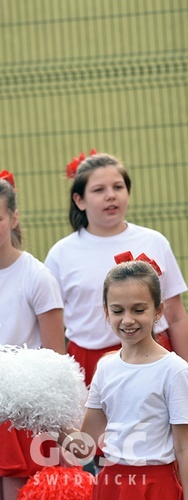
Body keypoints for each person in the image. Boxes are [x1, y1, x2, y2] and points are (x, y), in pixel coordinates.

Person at [45, 152, 188, 386]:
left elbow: (176, 317)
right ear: (79, 200)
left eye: (118, 187)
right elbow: (50, 324)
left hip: (153, 357)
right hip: (89, 363)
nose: (111, 196)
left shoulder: (154, 241)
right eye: (98, 190)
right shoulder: (61, 253)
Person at [58, 259, 188, 499]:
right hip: (110, 484)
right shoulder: (105, 367)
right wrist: (48, 422)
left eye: (139, 309)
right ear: (106, 312)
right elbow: (85, 447)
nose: (127, 320)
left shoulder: (174, 370)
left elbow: (184, 448)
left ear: (158, 311)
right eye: (117, 310)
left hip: (157, 486)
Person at [0, 173, 65, 500]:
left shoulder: (37, 276)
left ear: (13, 218)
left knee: (15, 490)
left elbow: (55, 359)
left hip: (19, 416)